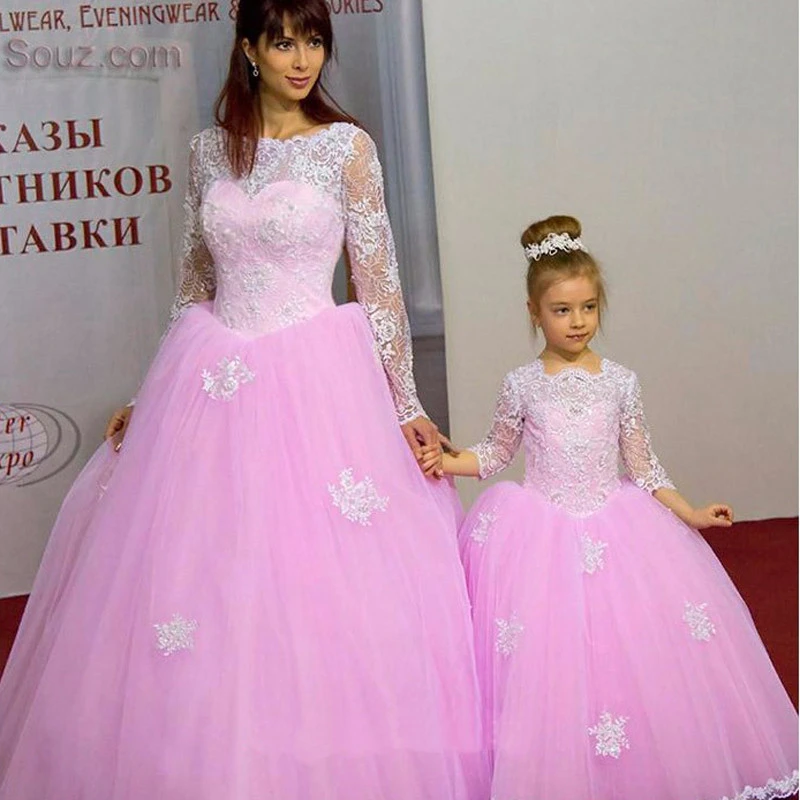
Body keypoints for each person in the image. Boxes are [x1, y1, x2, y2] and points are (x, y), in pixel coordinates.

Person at [0, 2, 488, 797]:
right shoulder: (208, 152)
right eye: (284, 41)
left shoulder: (347, 148)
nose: (304, 60)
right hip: (214, 375)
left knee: (318, 575)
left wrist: (405, 404)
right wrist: (149, 392)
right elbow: (196, 282)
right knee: (209, 580)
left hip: (319, 381)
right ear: (250, 50)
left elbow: (382, 289)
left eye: (315, 40)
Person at [435, 215, 798, 800]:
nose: (577, 321)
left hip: (617, 527)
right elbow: (498, 452)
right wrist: (447, 463)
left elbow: (644, 464)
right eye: (561, 310)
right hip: (539, 537)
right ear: (533, 312)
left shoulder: (621, 382)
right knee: (548, 661)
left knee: (628, 657)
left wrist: (691, 512)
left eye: (587, 308)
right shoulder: (522, 384)